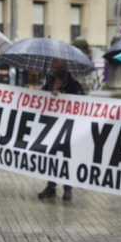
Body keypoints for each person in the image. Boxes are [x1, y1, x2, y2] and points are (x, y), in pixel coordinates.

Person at [38, 59, 84, 201]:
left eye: (62, 67)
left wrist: (62, 95)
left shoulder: (74, 85)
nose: (59, 70)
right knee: (50, 157)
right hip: (50, 125)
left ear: (67, 68)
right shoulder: (48, 83)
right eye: (57, 67)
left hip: (68, 127)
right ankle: (51, 186)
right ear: (52, 69)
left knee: (65, 158)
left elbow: (82, 102)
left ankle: (67, 188)